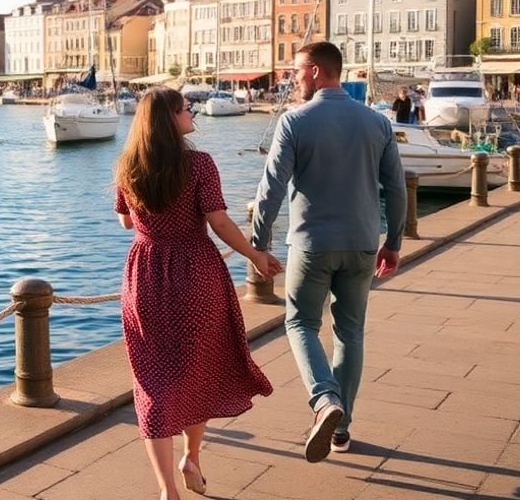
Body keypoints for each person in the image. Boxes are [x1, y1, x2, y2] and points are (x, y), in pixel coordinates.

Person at [113, 87, 282, 500]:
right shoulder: (199, 164)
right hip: (196, 275)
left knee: (152, 381)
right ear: (170, 118)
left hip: (146, 278)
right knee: (197, 370)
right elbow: (219, 223)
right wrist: (256, 256)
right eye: (186, 109)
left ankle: (167, 490)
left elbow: (124, 223)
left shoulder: (127, 166)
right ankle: (192, 456)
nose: (192, 113)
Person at [251, 41, 406, 463]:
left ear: (317, 71)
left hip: (311, 244)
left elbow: (272, 189)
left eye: (297, 70)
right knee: (350, 332)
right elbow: (394, 187)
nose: (293, 77)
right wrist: (393, 242)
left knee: (300, 322)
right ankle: (342, 430)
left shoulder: (294, 122)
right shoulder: (377, 123)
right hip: (360, 243)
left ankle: (323, 401)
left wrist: (258, 246)